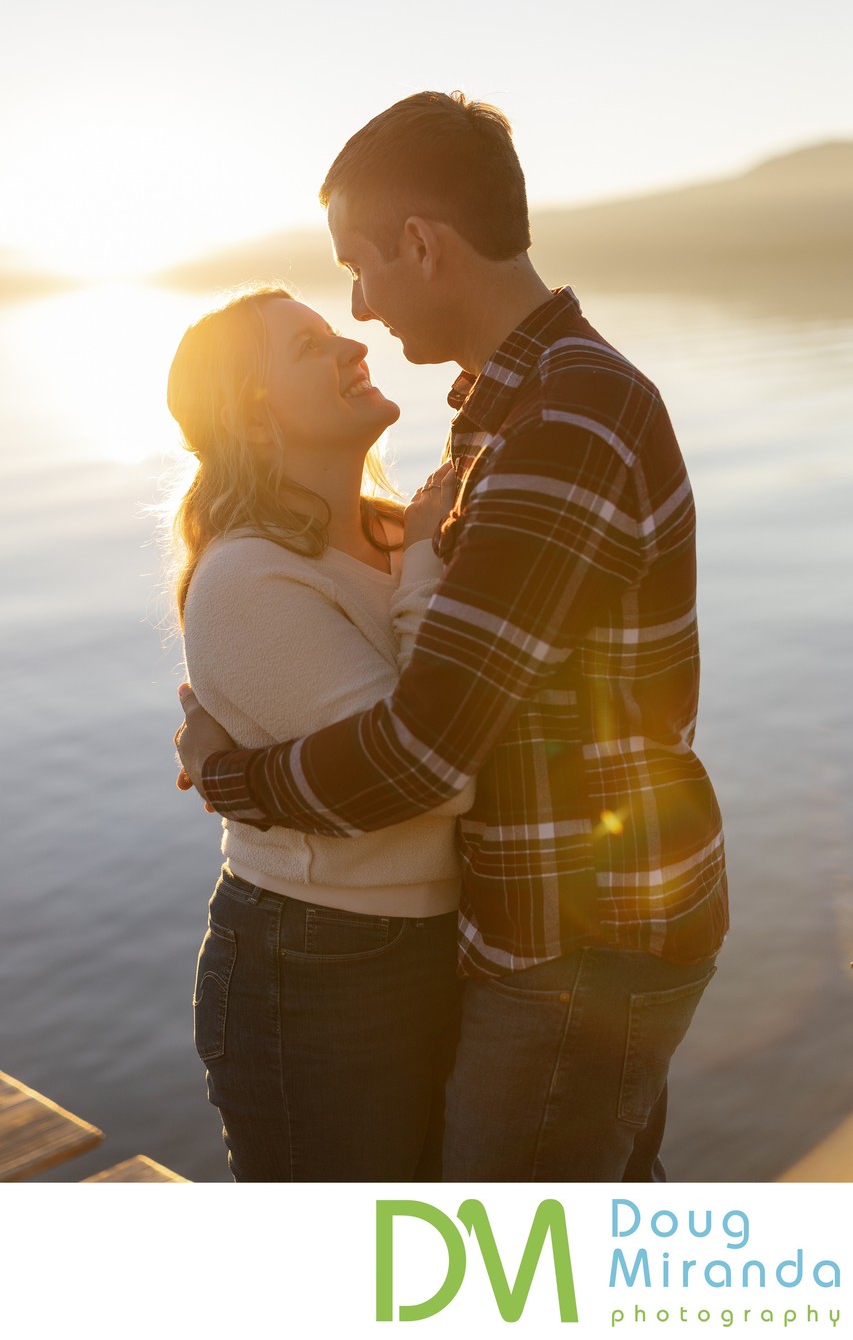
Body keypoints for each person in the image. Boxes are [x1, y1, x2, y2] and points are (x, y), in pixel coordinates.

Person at [177, 92, 729, 1182]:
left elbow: (424, 755)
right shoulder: (506, 415)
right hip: (553, 919)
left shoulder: (562, 424)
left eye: (360, 268)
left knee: (497, 1262)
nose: (359, 306)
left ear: (421, 245)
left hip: (582, 928)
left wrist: (236, 778)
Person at [167, 284, 473, 1181]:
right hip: (315, 965)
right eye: (310, 348)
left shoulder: (399, 532)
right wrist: (423, 560)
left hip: (433, 941)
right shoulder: (247, 578)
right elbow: (431, 776)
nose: (353, 344)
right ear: (254, 420)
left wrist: (418, 549)